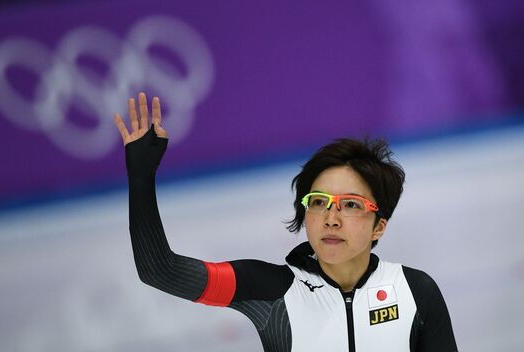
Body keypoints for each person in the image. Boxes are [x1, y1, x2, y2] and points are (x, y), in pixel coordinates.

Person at [114, 92, 458, 352]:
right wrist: (141, 177)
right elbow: (159, 270)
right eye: (319, 202)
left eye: (350, 205)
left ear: (379, 225)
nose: (331, 219)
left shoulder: (414, 292)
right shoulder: (270, 289)